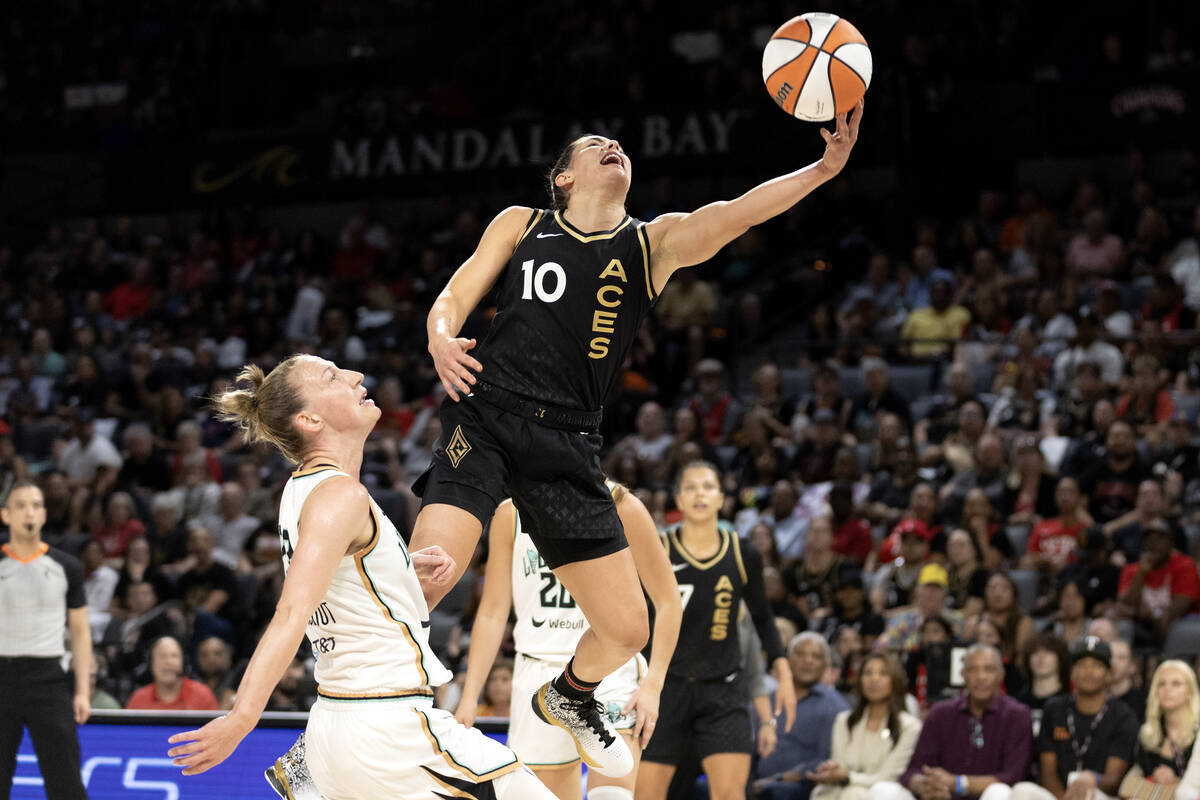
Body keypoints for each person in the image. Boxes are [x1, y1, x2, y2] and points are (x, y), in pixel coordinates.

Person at [410, 98, 863, 771]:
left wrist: (823, 170)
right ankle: (337, 715)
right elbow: (455, 293)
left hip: (569, 443)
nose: (612, 144)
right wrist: (439, 336)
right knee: (428, 578)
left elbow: (737, 211)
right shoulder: (523, 223)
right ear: (563, 178)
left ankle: (568, 695)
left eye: (617, 141)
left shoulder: (651, 245)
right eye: (595, 142)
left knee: (627, 628)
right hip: (488, 418)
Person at [166, 358, 556, 800]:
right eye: (333, 377)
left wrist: (398, 567)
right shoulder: (339, 496)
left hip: (342, 723)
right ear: (310, 420)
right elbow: (292, 612)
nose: (356, 377)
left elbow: (342, 585)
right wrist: (240, 719)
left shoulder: (302, 490)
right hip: (388, 727)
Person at [454, 482, 683, 800]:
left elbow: (669, 599)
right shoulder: (510, 514)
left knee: (612, 796)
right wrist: (470, 696)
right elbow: (493, 612)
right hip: (537, 674)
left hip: (609, 668)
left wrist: (654, 683)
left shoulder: (621, 504)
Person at [637, 461, 796, 800]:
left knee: (729, 794)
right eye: (690, 487)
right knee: (646, 795)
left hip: (723, 691)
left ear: (722, 498)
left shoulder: (743, 552)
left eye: (708, 486)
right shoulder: (657, 549)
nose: (699, 494)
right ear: (678, 500)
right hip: (665, 689)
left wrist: (783, 671)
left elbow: (763, 619)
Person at [0, 481, 92, 800]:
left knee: (65, 781)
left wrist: (82, 690)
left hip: (49, 680)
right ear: (5, 515)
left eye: (36, 505)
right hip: (1, 677)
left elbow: (80, 631)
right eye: (21, 505)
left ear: (43, 514)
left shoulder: (67, 566)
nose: (30, 511)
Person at [868, 644, 1032, 800]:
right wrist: (925, 786)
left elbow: (1013, 776)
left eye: (989, 669)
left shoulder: (1017, 715)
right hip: (939, 797)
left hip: (985, 797)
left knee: (1000, 791)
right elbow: (912, 771)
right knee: (883, 790)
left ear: (1001, 675)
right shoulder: (940, 713)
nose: (981, 677)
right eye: (972, 669)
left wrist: (958, 784)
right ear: (963, 675)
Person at [1010, 637, 1138, 800]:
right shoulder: (1054, 709)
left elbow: (1114, 779)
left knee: (1087, 794)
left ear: (1108, 674)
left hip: (1099, 794)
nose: (1088, 672)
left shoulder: (1122, 715)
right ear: (1072, 672)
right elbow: (1047, 772)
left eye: (1097, 665)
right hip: (1059, 795)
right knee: (1022, 790)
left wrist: (1093, 778)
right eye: (1081, 664)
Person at [809, 653, 922, 800]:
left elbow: (888, 776)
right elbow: (840, 765)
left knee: (854, 793)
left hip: (888, 792)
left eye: (883, 673)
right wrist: (833, 772)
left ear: (894, 680)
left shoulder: (909, 726)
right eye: (868, 673)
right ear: (860, 680)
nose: (874, 679)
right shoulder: (843, 720)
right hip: (848, 788)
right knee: (822, 793)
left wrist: (847, 777)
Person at [753, 633, 851, 800]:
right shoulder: (766, 700)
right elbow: (747, 746)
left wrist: (777, 779)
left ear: (826, 665)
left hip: (803, 786)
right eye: (800, 654)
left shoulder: (836, 707)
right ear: (786, 660)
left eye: (816, 656)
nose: (808, 661)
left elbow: (826, 759)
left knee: (776, 793)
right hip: (754, 779)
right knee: (704, 785)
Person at [1118, 660, 1199, 798]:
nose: (1167, 689)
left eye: (1176, 683)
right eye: (1161, 684)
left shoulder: (1197, 733)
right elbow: (1137, 777)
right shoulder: (1147, 732)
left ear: (1190, 692)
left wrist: (1179, 782)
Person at [1116, 521, 1200, 648]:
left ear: (1171, 544)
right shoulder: (1133, 569)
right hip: (1142, 624)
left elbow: (1177, 610)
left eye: (1160, 538)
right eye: (1149, 539)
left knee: (1175, 627)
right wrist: (1141, 573)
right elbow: (1124, 604)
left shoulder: (1185, 565)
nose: (1153, 543)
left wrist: (1145, 614)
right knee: (1121, 625)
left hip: (1180, 621)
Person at [875, 564, 964, 653]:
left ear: (945, 593)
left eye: (937, 588)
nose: (931, 593)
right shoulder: (901, 621)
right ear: (918, 591)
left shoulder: (956, 620)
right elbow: (880, 648)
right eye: (927, 587)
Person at [126, 635, 219, 710]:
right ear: (151, 663)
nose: (168, 662)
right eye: (162, 656)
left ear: (183, 662)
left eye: (174, 656)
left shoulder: (203, 695)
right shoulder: (138, 699)